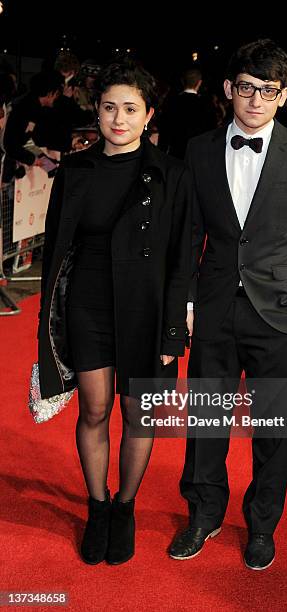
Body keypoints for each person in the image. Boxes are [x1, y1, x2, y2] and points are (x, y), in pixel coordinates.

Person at [169, 39, 287, 570]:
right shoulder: (198, 149)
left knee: (272, 428)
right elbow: (189, 232)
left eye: (268, 91)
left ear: (283, 96)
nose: (255, 100)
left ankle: (262, 524)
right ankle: (204, 513)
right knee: (206, 421)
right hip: (215, 308)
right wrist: (188, 300)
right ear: (228, 89)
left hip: (280, 313)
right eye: (246, 88)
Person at [37, 61, 191, 565]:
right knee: (95, 410)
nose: (118, 119)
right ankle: (98, 506)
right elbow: (57, 254)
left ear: (148, 115)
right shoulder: (75, 171)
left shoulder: (172, 174)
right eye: (109, 108)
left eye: (130, 109)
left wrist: (173, 334)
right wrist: (50, 325)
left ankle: (126, 506)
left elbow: (182, 261)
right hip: (88, 305)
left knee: (137, 415)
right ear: (97, 111)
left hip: (146, 310)